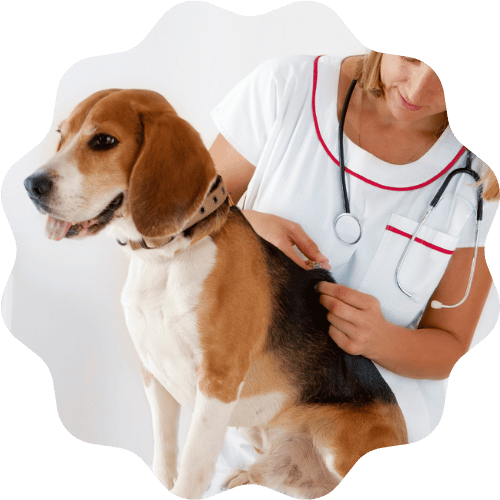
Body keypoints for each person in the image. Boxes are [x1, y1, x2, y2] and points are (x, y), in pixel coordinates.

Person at [208, 50, 499, 453]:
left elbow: (449, 347)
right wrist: (245, 226)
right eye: (411, 58)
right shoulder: (287, 87)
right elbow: (172, 217)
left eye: (451, 75)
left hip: (371, 439)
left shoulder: (480, 175)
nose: (418, 89)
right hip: (244, 431)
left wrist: (381, 340)